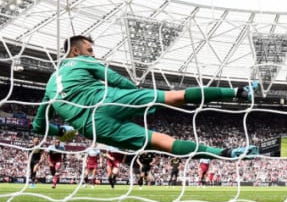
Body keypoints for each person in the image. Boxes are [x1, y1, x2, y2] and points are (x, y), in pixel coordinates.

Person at [32, 35, 260, 160]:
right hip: (107, 99)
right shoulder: (82, 61)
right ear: (76, 51)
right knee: (173, 96)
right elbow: (111, 77)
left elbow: (37, 126)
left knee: (163, 143)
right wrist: (136, 94)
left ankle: (226, 154)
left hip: (90, 127)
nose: (93, 54)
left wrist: (60, 131)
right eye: (90, 50)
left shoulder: (50, 86)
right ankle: (238, 92)